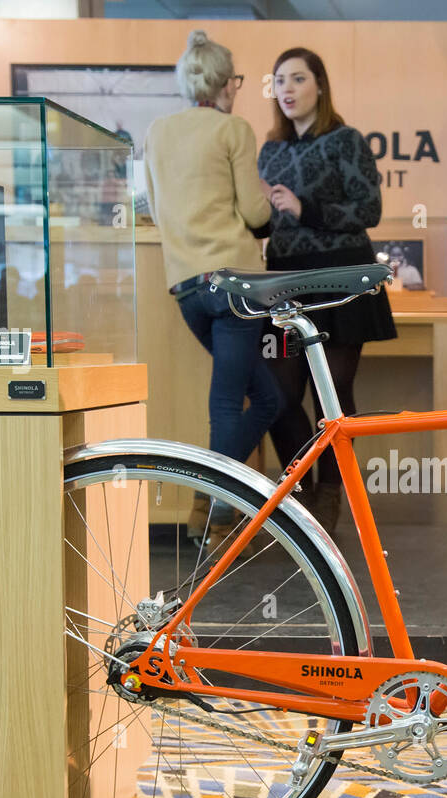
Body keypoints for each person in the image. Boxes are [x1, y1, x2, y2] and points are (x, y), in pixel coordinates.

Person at [144, 30, 282, 549]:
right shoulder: (234, 130)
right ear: (226, 83)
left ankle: (210, 498)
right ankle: (218, 513)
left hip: (186, 288)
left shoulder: (158, 131)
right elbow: (254, 212)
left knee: (269, 399)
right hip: (235, 286)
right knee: (227, 404)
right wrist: (271, 199)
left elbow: (156, 212)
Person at [259, 47, 396, 531]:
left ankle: (333, 496)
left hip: (339, 278)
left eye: (298, 79)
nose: (288, 89)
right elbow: (261, 222)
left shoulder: (346, 140)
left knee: (331, 394)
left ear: (319, 84)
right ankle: (304, 490)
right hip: (284, 281)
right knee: (277, 396)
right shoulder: (269, 150)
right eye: (279, 81)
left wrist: (305, 208)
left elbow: (369, 211)